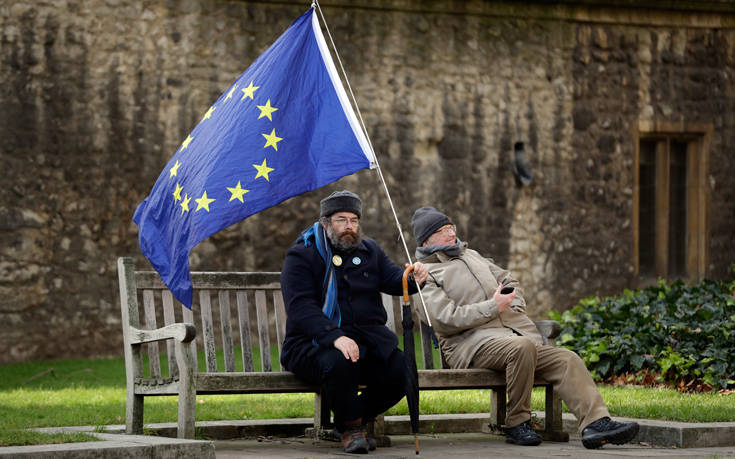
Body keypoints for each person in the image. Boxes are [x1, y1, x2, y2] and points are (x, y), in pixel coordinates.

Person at [410, 206, 639, 449]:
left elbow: (509, 281)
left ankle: (595, 424)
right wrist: (493, 307)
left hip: (516, 338)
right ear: (426, 240)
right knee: (521, 347)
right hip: (471, 346)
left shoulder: (472, 256)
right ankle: (517, 423)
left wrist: (514, 302)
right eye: (443, 230)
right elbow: (445, 319)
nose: (451, 234)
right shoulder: (426, 273)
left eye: (451, 228)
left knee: (567, 359)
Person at [280, 191, 428, 454]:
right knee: (341, 360)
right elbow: (300, 308)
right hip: (311, 345)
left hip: (367, 343)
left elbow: (396, 280)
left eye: (354, 220)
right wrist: (335, 337)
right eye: (341, 220)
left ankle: (348, 420)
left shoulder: (370, 251)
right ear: (325, 223)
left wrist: (414, 276)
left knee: (402, 370)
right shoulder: (302, 255)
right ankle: (352, 429)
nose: (349, 227)